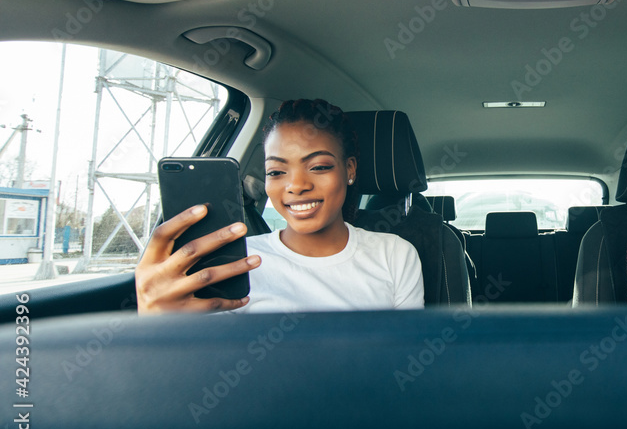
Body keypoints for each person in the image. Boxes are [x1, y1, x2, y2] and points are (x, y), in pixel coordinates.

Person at [136, 99, 424, 314]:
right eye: (276, 172)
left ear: (349, 170)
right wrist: (157, 326)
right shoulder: (232, 262)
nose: (296, 185)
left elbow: (406, 364)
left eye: (319, 166)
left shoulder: (394, 254)